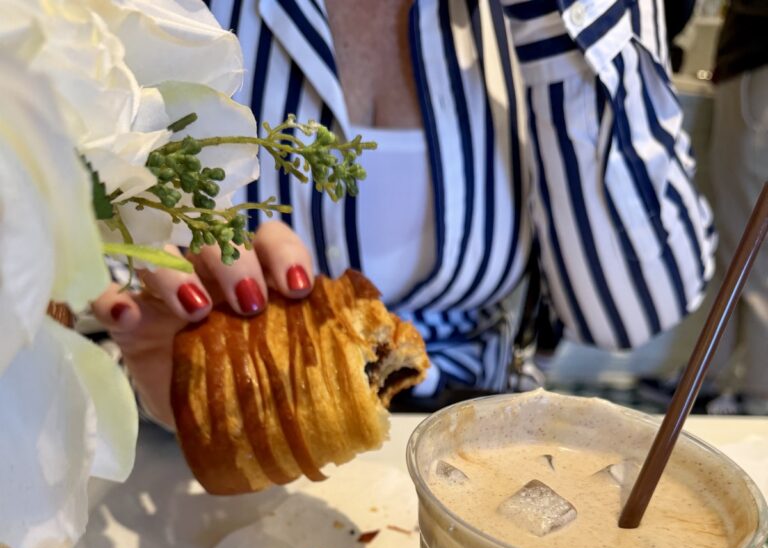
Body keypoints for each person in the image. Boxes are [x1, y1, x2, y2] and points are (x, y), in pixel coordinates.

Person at [94, 0, 717, 425]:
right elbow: (81, 285)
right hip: (209, 470)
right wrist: (168, 373)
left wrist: (565, 25)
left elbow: (630, 310)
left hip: (477, 451)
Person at [704, 0, 768, 415]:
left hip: (757, 64)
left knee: (749, 235)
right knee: (741, 231)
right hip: (753, 64)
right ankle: (720, 374)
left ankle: (756, 392)